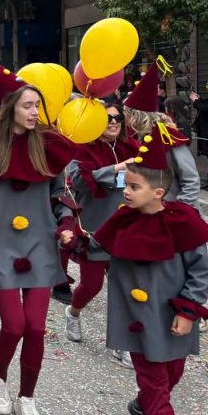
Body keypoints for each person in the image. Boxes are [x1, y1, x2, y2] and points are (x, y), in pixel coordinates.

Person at [0, 53, 78, 415]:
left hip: (41, 247)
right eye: (28, 105)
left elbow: (60, 197)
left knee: (37, 329)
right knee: (13, 325)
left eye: (37, 105)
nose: (34, 111)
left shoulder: (49, 146)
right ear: (11, 107)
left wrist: (66, 225)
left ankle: (27, 398)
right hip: (3, 247)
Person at [90, 139, 208, 415]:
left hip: (173, 314)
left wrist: (188, 311)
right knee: (155, 377)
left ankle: (142, 407)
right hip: (136, 318)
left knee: (173, 371)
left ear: (158, 192)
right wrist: (69, 238)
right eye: (125, 185)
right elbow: (95, 249)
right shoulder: (122, 221)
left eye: (134, 186)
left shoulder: (183, 221)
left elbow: (201, 271)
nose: (126, 192)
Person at [62, 103, 138, 355]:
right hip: (94, 230)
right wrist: (117, 169)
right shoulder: (82, 149)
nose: (114, 122)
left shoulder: (133, 148)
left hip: (126, 230)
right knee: (92, 285)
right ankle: (73, 313)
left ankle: (121, 343)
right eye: (107, 118)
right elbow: (80, 180)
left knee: (123, 286)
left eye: (118, 118)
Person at [123, 58, 199, 209]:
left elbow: (191, 180)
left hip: (173, 212)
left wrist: (180, 209)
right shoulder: (137, 137)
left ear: (137, 115)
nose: (125, 119)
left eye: (127, 114)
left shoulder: (167, 136)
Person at [190, 74, 208, 191]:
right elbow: (205, 104)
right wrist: (199, 99)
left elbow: (206, 109)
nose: (206, 86)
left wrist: (196, 102)